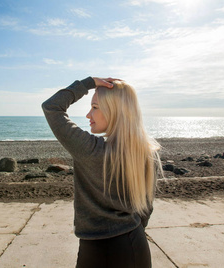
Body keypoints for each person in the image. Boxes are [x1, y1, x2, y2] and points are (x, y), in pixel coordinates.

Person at [42, 77, 162, 268]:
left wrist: (88, 83)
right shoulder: (145, 153)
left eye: (95, 107)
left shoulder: (90, 149)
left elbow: (52, 107)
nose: (89, 115)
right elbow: (146, 208)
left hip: (97, 250)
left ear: (115, 110)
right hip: (134, 244)